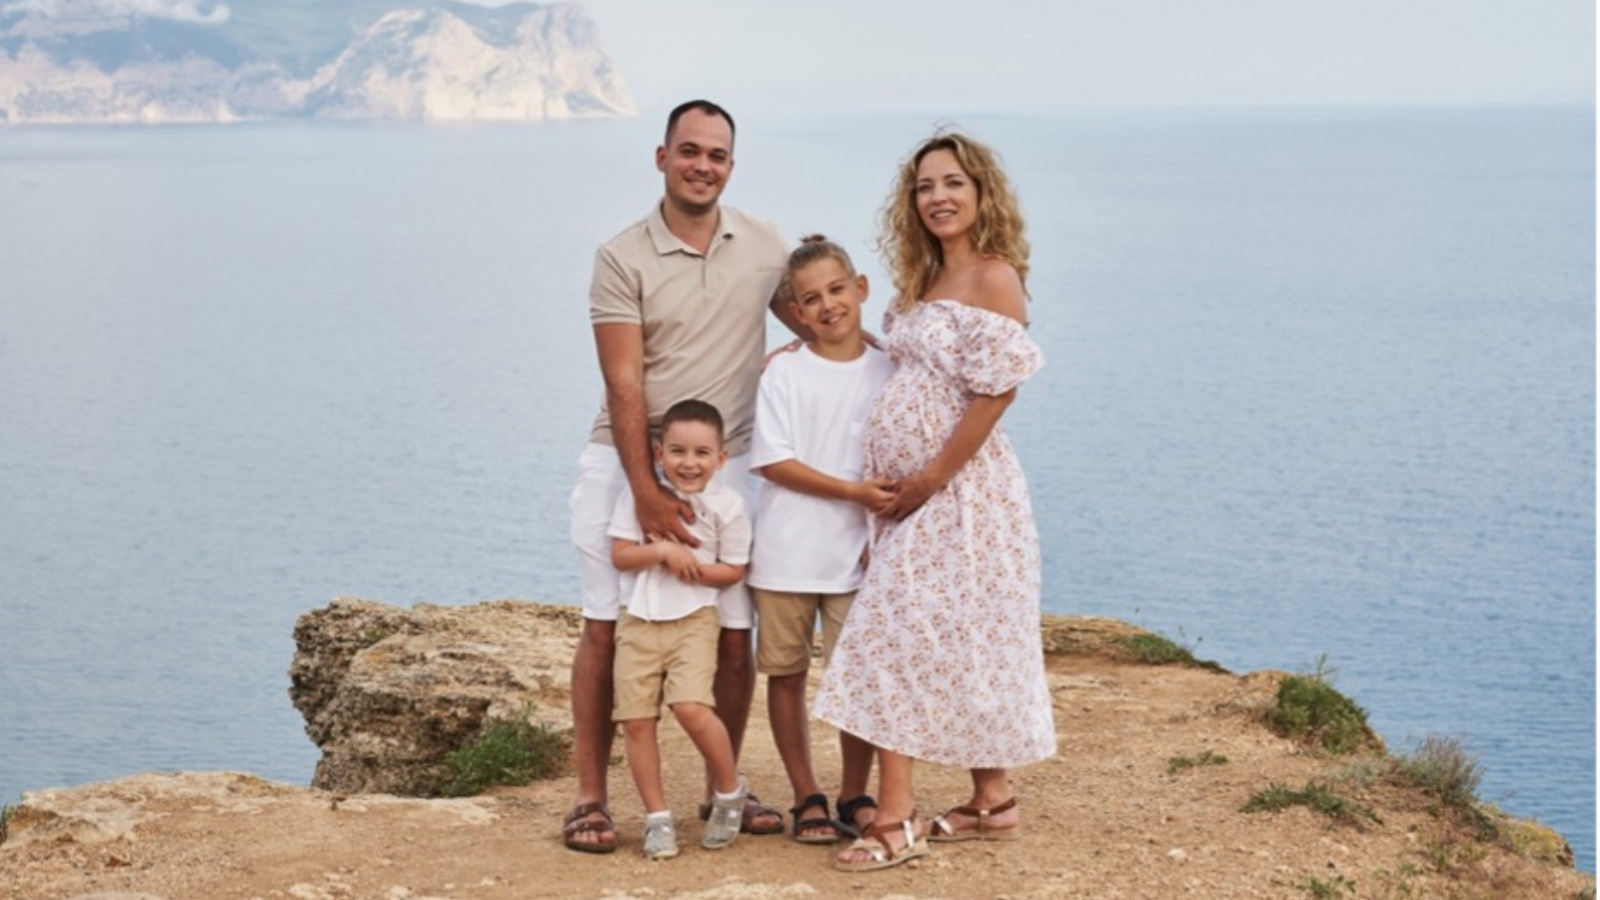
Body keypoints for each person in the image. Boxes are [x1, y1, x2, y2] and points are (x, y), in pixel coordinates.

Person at [812, 131, 1056, 872]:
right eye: (925, 186)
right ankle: (993, 799)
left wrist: (933, 478)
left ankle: (895, 818)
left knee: (896, 637)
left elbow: (996, 392)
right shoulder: (920, 281)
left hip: (963, 494)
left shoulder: (994, 276)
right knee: (958, 636)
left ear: (982, 192)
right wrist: (808, 344)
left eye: (953, 183)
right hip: (913, 499)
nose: (938, 197)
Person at [563, 99, 801, 854]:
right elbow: (624, 382)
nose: (703, 165)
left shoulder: (764, 245)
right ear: (662, 157)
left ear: (732, 165)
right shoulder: (620, 255)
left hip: (725, 468)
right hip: (625, 461)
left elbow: (823, 323)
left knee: (733, 635)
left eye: (717, 155)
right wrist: (645, 491)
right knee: (606, 626)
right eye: (689, 151)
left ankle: (720, 790)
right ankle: (591, 799)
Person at [748, 235, 895, 844]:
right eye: (812, 299)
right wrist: (854, 493)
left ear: (860, 289)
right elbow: (774, 461)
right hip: (785, 554)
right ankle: (806, 794)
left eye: (837, 290)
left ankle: (854, 793)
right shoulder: (784, 371)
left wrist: (876, 520)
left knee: (857, 678)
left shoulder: (889, 366)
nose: (828, 305)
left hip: (858, 559)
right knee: (786, 676)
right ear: (797, 312)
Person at [609, 399, 753, 859]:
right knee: (636, 721)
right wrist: (663, 553)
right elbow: (621, 555)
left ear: (721, 458)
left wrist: (692, 568)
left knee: (691, 708)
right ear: (659, 453)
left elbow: (734, 569)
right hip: (638, 620)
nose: (689, 463)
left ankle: (728, 791)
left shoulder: (729, 506)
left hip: (694, 619)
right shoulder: (638, 496)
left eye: (701, 453)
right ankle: (657, 819)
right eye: (677, 451)